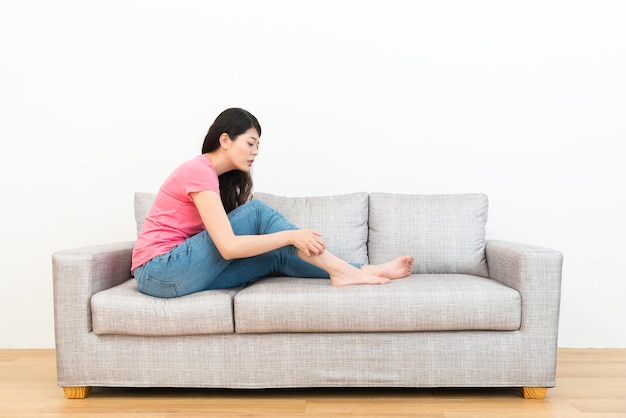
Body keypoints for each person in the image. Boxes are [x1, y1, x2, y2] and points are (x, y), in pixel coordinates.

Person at [131, 108, 414, 298]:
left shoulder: (216, 178)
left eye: (258, 147)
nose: (255, 152)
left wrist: (286, 242)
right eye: (250, 143)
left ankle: (361, 270)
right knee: (257, 212)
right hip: (158, 270)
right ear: (225, 140)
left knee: (276, 256)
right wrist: (290, 234)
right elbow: (228, 247)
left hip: (176, 275)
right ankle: (344, 272)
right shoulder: (198, 170)